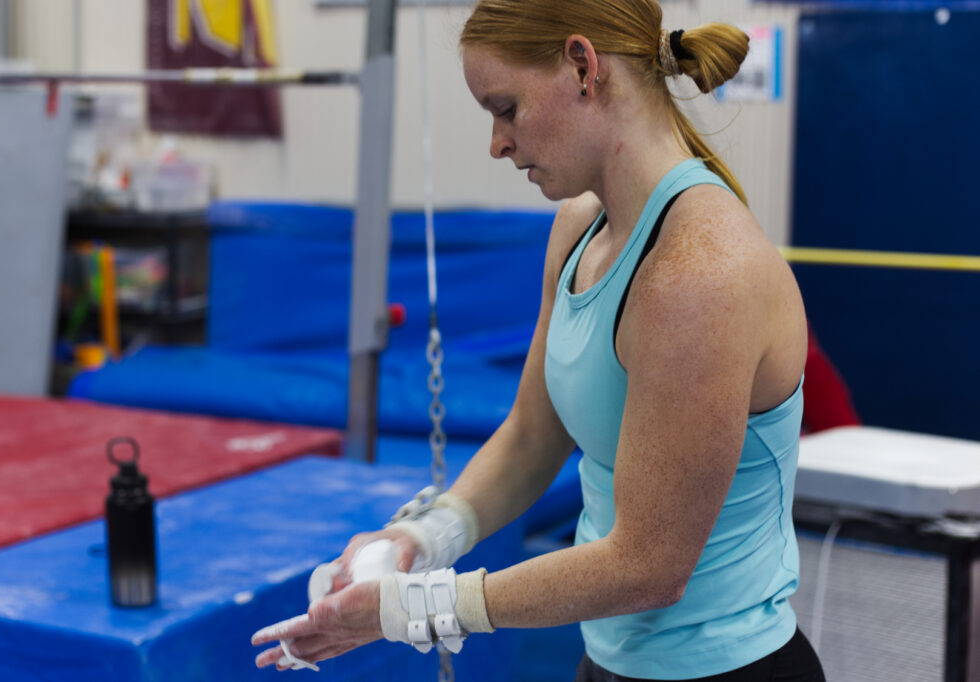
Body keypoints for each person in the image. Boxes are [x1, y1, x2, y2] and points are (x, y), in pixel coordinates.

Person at [253, 0, 826, 678]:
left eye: (506, 109)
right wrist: (425, 536)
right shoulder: (581, 229)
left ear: (584, 67)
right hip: (610, 660)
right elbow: (531, 436)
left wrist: (415, 609)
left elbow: (648, 568)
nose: (497, 143)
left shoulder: (697, 274)